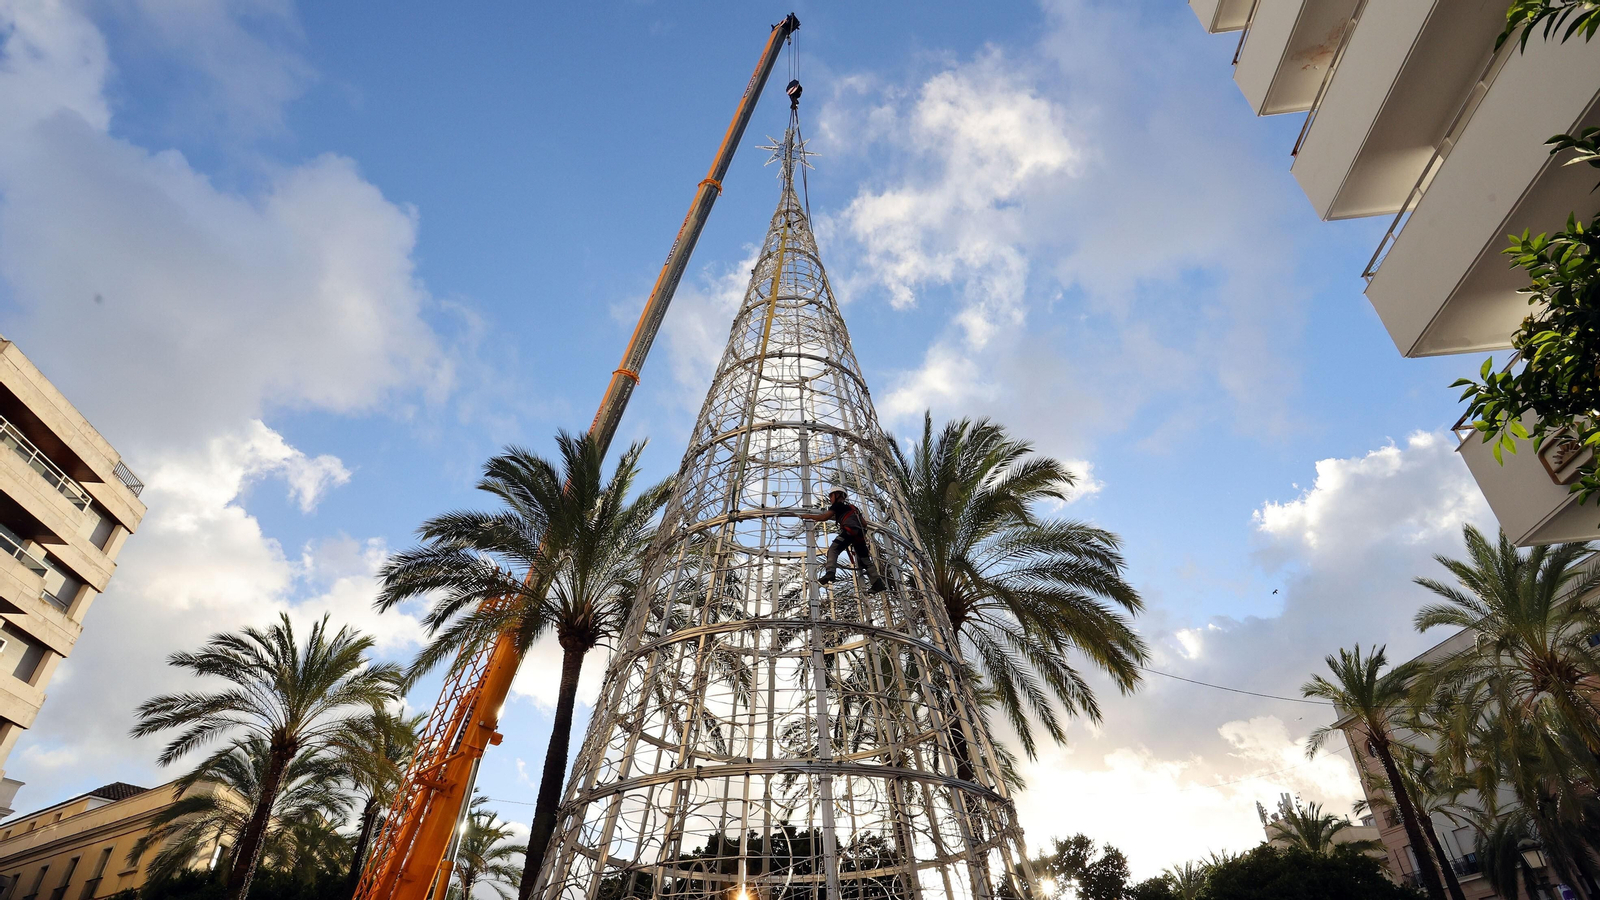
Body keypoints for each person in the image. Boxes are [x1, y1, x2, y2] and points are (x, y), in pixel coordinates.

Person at [794, 486, 886, 593]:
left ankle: (830, 573)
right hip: (859, 536)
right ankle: (877, 583)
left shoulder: (837, 505)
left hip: (849, 532)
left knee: (833, 550)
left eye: (831, 496)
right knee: (865, 560)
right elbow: (864, 524)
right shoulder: (853, 508)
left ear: (837, 495)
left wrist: (808, 516)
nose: (830, 499)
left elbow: (824, 517)